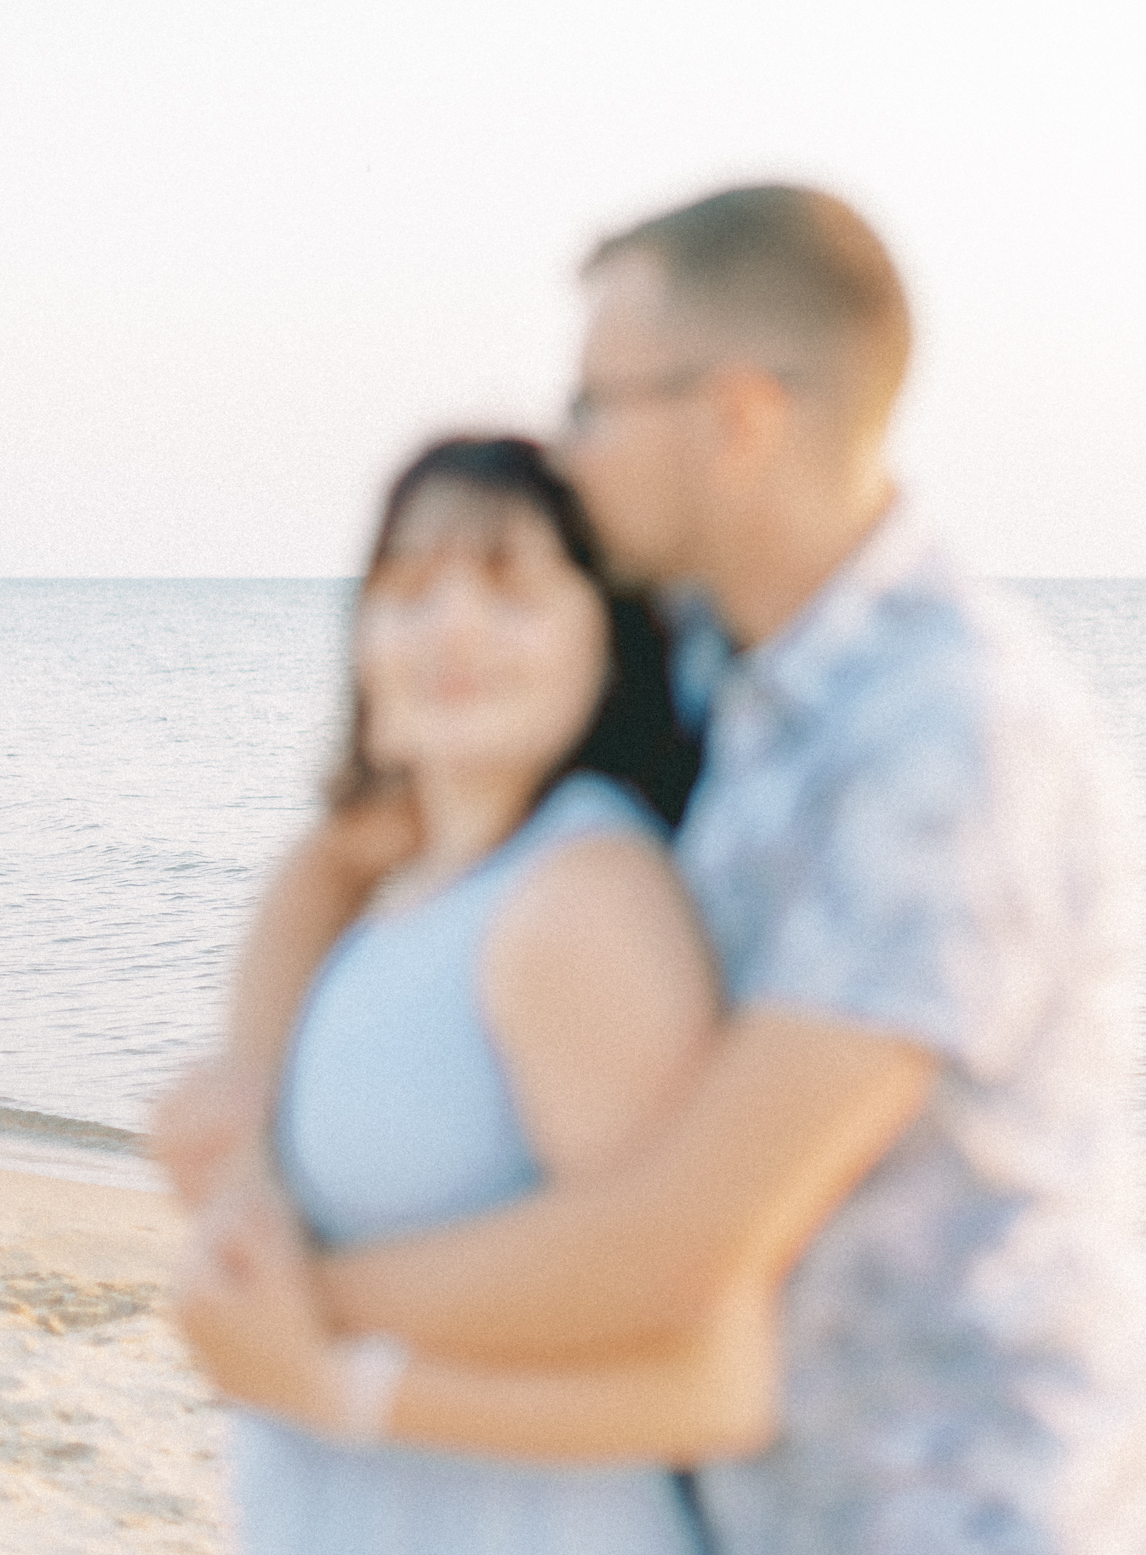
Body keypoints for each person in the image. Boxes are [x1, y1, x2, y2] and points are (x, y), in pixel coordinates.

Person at [165, 184, 1146, 1554]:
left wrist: (297, 1308)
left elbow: (679, 1242)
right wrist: (246, 1106)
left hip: (970, 1503)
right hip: (767, 1498)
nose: (570, 446)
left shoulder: (948, 743)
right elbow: (351, 844)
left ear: (736, 418)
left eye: (597, 404)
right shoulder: (714, 660)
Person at [181, 432, 807, 1555]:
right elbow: (322, 859)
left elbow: (716, 1381)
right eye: (409, 586)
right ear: (364, 637)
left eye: (509, 585)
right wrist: (244, 1149)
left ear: (603, 641)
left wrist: (339, 1384)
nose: (453, 623)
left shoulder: (579, 902)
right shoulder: (407, 886)